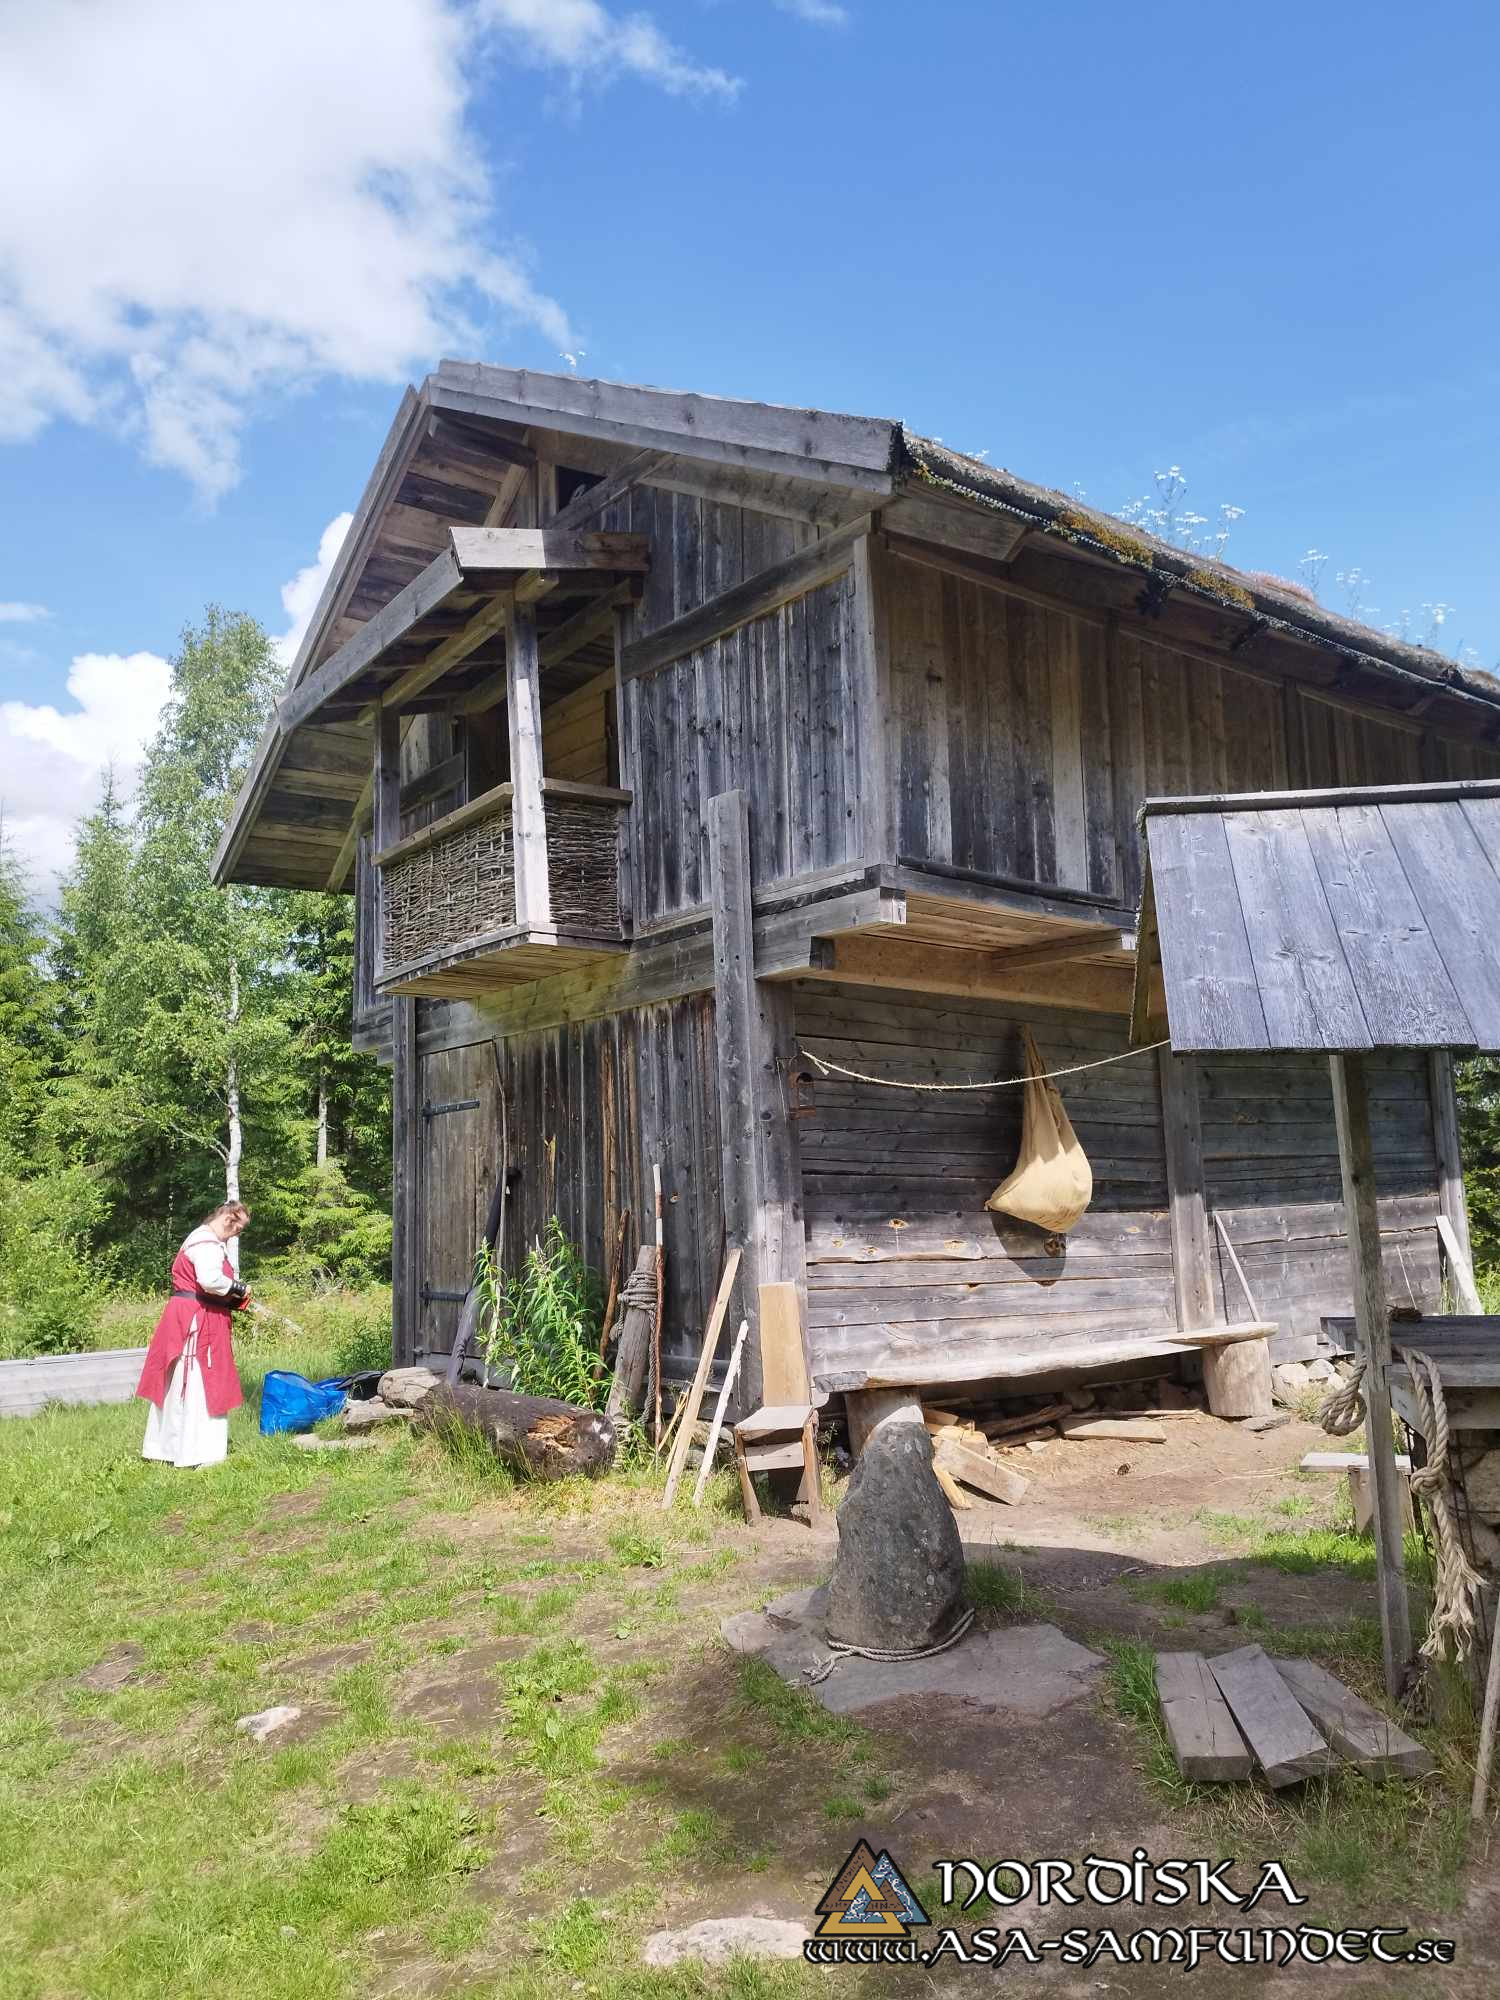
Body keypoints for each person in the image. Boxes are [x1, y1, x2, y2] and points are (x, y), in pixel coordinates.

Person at [137, 1202, 252, 1468]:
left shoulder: (199, 1238)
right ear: (226, 1219)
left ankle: (168, 1449)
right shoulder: (207, 1243)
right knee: (200, 1382)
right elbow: (210, 1280)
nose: (236, 1233)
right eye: (237, 1227)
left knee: (180, 1382)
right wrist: (239, 1287)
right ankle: (200, 1453)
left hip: (188, 1314)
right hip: (198, 1320)